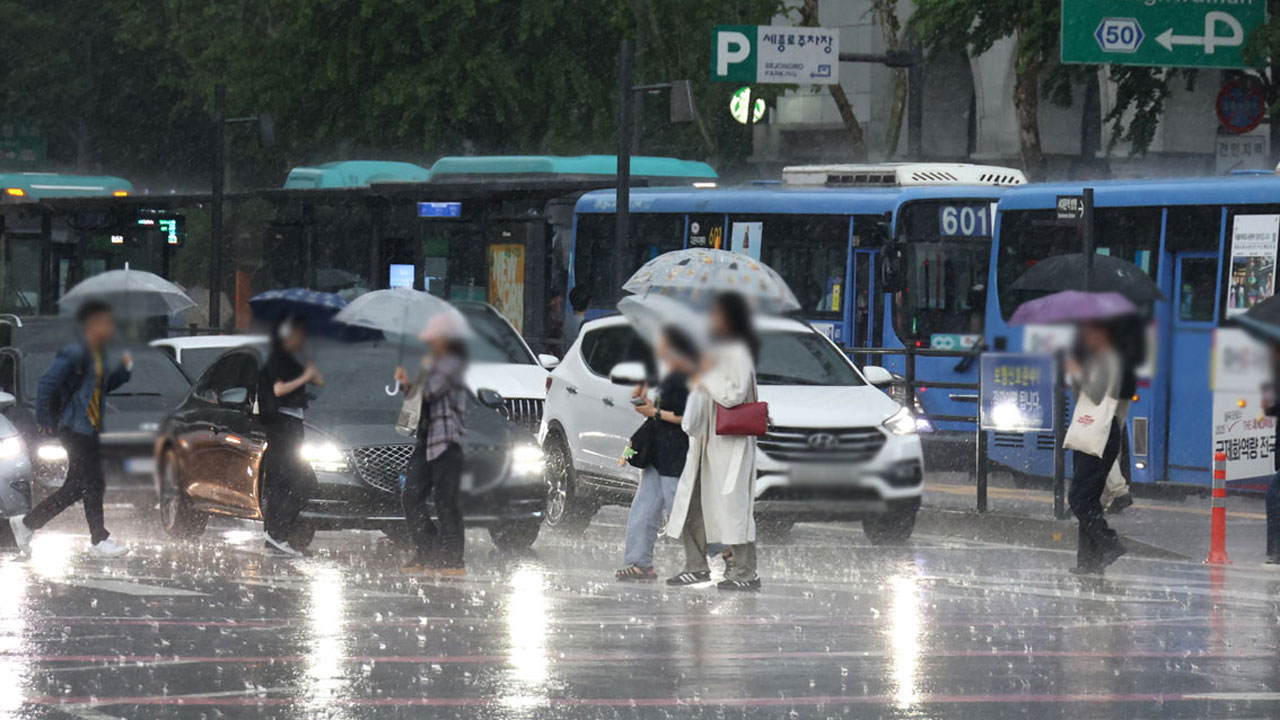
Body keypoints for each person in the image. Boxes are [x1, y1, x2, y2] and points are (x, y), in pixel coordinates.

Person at [9, 300, 132, 557]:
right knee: (93, 482)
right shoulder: (76, 350)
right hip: (76, 427)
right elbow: (46, 383)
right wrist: (44, 419)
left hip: (90, 427)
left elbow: (101, 388)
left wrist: (123, 369)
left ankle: (28, 523)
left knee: (78, 486)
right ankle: (99, 539)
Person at [665, 292, 762, 591]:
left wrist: (706, 374)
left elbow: (733, 394)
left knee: (733, 508)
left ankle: (746, 572)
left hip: (730, 443)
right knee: (693, 503)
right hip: (706, 441)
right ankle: (696, 566)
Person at [615, 327, 697, 582]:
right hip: (656, 448)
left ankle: (719, 553)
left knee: (680, 510)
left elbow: (689, 418)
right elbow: (639, 400)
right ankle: (638, 563)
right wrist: (642, 391)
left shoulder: (689, 377)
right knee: (645, 508)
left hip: (676, 451)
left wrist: (655, 413)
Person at [395, 310, 470, 577]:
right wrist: (406, 384)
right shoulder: (433, 361)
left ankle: (453, 558)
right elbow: (417, 398)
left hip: (446, 441)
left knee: (445, 499)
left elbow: (430, 392)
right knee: (412, 494)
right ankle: (428, 549)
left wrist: (411, 382)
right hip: (426, 438)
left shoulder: (451, 362)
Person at [1065, 321, 1129, 575]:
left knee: (1079, 497)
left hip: (1100, 432)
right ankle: (1089, 561)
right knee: (1089, 496)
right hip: (1091, 430)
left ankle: (1108, 543)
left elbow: (1097, 394)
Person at [257, 315, 323, 557]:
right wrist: (305, 376)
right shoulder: (280, 358)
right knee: (295, 481)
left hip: (292, 424)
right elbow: (278, 389)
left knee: (295, 481)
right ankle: (275, 535)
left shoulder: (292, 358)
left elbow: (318, 380)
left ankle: (279, 536)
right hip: (283, 425)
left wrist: (308, 369)